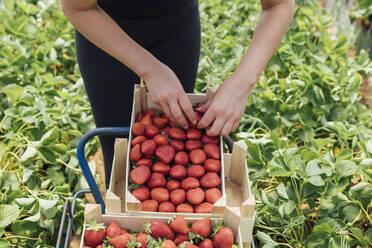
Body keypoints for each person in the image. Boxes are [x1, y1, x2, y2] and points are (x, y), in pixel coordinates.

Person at [61, 0, 294, 186]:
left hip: (176, 25)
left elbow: (279, 4)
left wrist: (241, 84)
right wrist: (150, 69)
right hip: (103, 26)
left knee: (174, 148)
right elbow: (77, 7)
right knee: (119, 162)